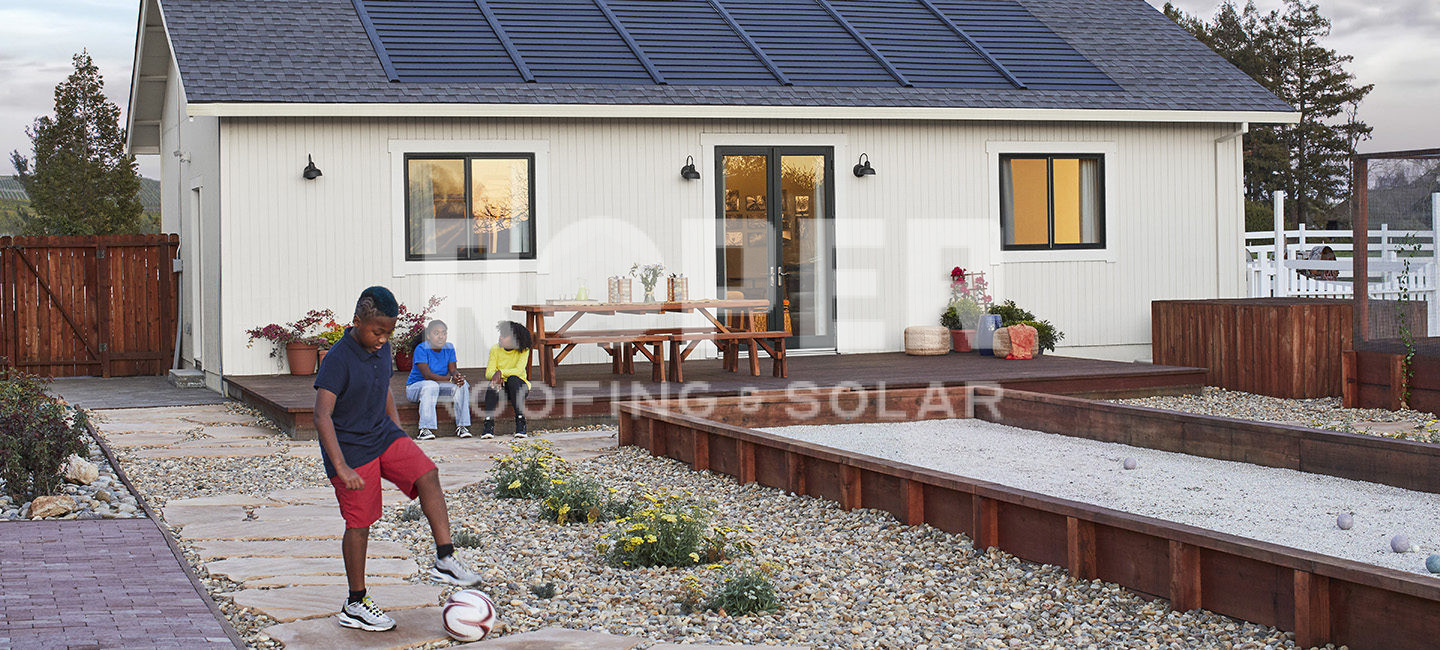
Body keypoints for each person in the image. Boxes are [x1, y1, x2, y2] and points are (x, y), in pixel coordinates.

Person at [313, 286, 482, 632]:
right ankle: (355, 602)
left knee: (427, 473)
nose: (382, 339)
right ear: (357, 321)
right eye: (377, 332)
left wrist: (397, 428)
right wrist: (341, 466)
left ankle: (445, 557)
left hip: (382, 434)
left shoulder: (381, 346)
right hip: (350, 448)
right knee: (360, 522)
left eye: (388, 332)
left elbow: (383, 387)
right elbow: (321, 416)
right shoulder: (337, 359)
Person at [404, 320, 471, 440]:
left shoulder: (449, 347)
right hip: (416, 388)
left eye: (444, 333)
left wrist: (457, 377)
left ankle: (462, 426)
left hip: (438, 387)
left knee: (463, 384)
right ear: (428, 335)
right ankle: (424, 429)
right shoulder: (421, 349)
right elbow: (427, 375)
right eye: (436, 333)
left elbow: (453, 369)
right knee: (430, 385)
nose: (441, 336)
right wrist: (450, 379)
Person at [481, 320, 532, 440]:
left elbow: (519, 371)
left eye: (504, 336)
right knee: (493, 383)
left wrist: (501, 373)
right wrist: (497, 377)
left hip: (519, 388)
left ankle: (520, 421)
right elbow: (489, 373)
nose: (500, 338)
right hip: (502, 388)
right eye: (500, 335)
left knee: (514, 379)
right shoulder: (495, 349)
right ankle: (488, 423)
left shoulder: (523, 350)